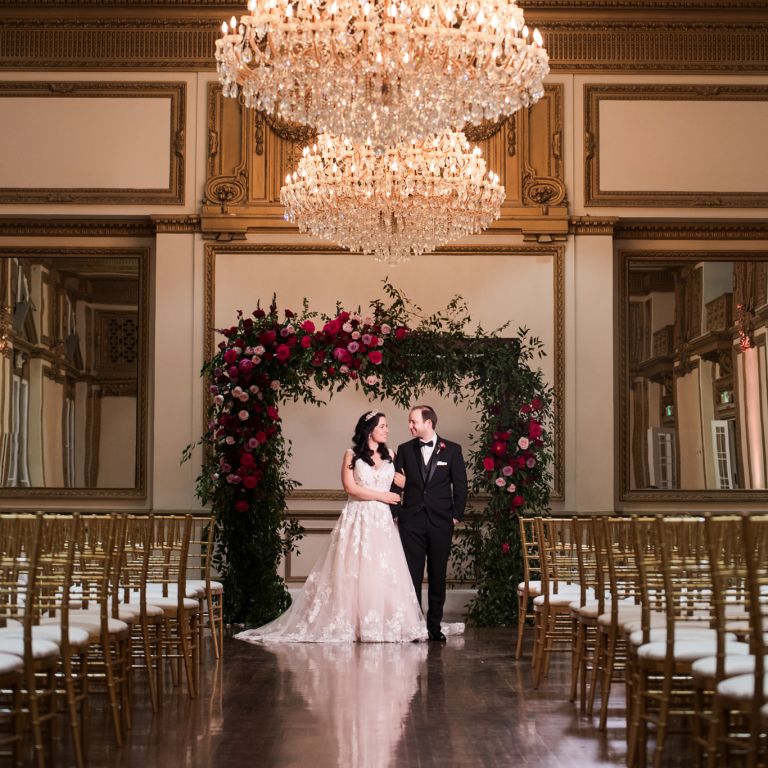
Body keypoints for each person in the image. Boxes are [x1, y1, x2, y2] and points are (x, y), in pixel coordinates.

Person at [235, 410, 429, 643]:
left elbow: (406, 485)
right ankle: (352, 623)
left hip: (383, 522)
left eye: (387, 426)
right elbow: (350, 488)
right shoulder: (351, 455)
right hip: (358, 518)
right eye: (382, 426)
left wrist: (404, 484)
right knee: (353, 572)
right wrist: (382, 496)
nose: (387, 430)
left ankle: (380, 624)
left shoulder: (392, 455)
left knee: (382, 572)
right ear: (369, 430)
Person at [392, 405, 468, 642]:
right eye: (409, 421)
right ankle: (414, 626)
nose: (410, 426)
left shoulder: (452, 450)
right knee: (412, 576)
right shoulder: (404, 449)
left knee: (437, 575)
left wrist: (455, 515)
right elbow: (394, 484)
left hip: (440, 522)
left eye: (414, 421)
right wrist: (396, 513)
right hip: (411, 522)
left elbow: (461, 485)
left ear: (428, 423)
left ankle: (434, 627)